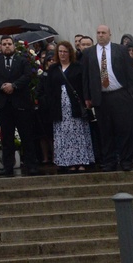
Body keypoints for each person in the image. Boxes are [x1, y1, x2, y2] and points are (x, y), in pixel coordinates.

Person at [81, 24, 133, 172]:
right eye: (98, 33)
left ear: (110, 34)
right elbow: (85, 77)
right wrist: (87, 97)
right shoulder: (89, 53)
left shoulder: (121, 50)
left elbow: (129, 72)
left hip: (120, 94)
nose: (101, 35)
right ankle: (109, 161)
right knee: (105, 130)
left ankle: (125, 160)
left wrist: (130, 92)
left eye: (103, 32)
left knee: (124, 129)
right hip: (101, 97)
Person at [0, 36, 41, 177]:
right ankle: (8, 166)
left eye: (9, 44)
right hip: (4, 104)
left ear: (13, 46)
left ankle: (31, 165)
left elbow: (27, 76)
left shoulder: (23, 61)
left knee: (27, 136)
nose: (7, 46)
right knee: (6, 137)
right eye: (4, 44)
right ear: (0, 46)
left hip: (21, 104)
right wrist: (2, 86)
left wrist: (13, 86)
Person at [44, 42, 93, 171]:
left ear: (70, 53)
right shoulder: (53, 69)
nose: (62, 54)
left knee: (78, 133)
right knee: (63, 134)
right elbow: (48, 88)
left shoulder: (78, 67)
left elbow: (83, 85)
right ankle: (68, 161)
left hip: (75, 105)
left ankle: (81, 161)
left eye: (65, 51)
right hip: (59, 107)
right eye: (60, 51)